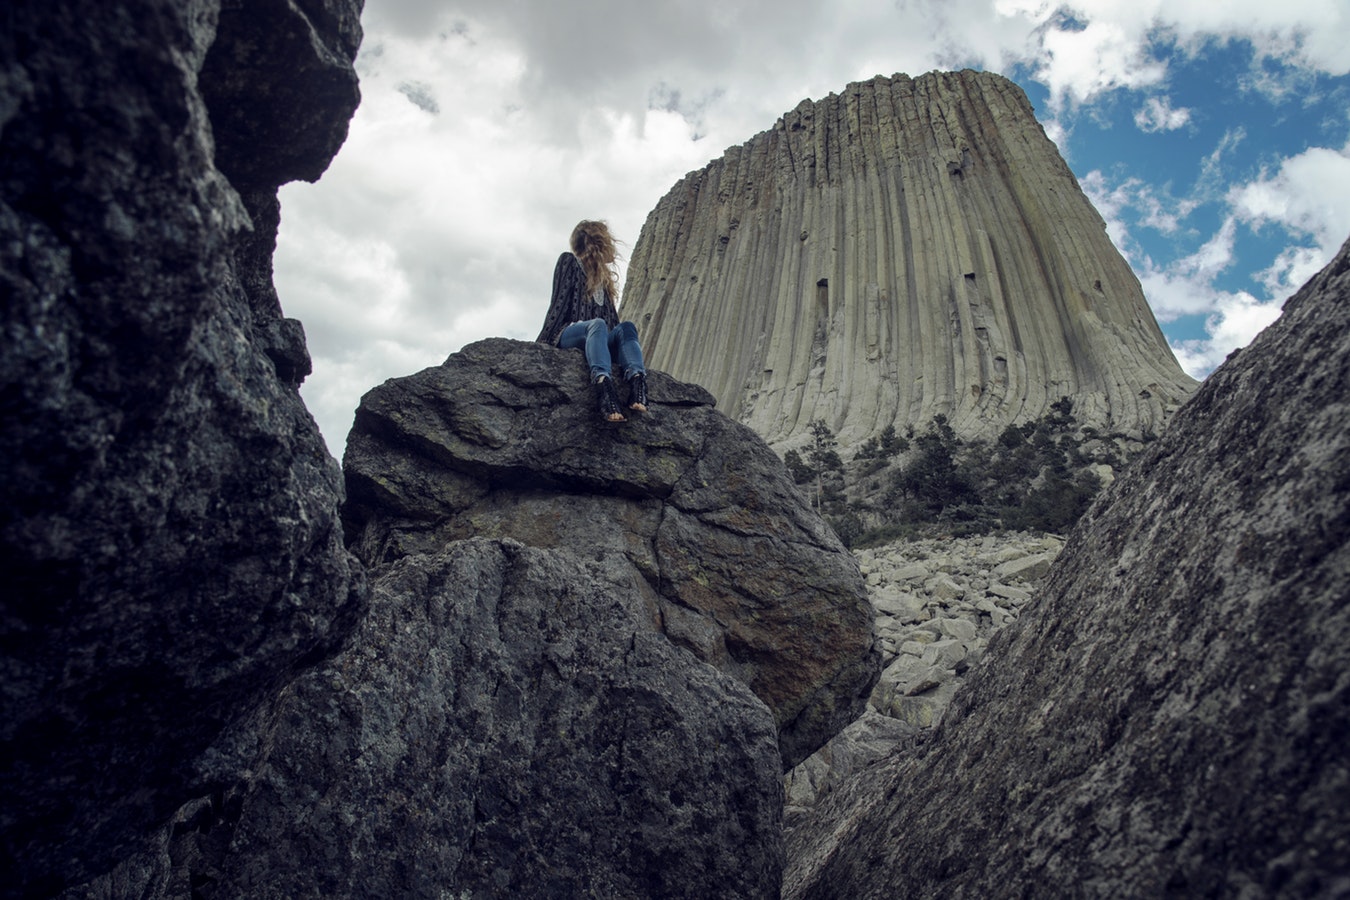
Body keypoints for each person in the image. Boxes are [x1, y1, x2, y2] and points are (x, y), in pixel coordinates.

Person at [537, 220, 648, 423]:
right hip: (569, 334)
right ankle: (604, 389)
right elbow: (558, 305)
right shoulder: (569, 261)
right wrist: (541, 347)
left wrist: (621, 351)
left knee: (627, 327)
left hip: (598, 337)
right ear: (599, 241)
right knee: (597, 324)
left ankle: (638, 383)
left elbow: (613, 324)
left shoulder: (603, 281)